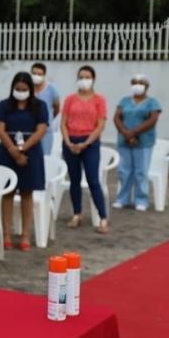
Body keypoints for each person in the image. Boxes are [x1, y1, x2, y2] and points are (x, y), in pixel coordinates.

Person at [0, 72, 48, 251]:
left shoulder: (39, 106)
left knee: (27, 193)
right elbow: (0, 129)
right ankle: (6, 234)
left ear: (30, 89)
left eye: (24, 89)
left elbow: (41, 129)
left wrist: (23, 148)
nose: (20, 92)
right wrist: (13, 150)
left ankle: (25, 234)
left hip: (31, 152)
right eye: (17, 89)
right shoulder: (4, 105)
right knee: (7, 193)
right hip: (7, 151)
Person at [61, 65, 109, 233]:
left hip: (90, 143)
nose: (84, 80)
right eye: (81, 77)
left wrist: (86, 143)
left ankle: (103, 217)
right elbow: (63, 122)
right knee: (74, 179)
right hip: (71, 141)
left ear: (93, 79)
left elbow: (100, 124)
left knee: (93, 179)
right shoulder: (70, 99)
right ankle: (77, 213)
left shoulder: (99, 100)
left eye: (87, 77)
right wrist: (67, 141)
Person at [113, 74, 161, 211]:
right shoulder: (124, 101)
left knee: (141, 171)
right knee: (124, 171)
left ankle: (141, 200)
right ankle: (122, 199)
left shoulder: (153, 102)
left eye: (141, 83)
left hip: (143, 142)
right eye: (134, 82)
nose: (137, 85)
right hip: (125, 141)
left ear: (146, 86)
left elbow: (152, 120)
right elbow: (117, 118)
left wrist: (133, 133)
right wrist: (126, 134)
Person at [31, 63, 61, 155]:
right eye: (34, 73)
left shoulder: (52, 89)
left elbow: (57, 107)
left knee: (45, 156)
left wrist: (49, 118)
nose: (36, 76)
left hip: (46, 130)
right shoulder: (27, 88)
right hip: (30, 129)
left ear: (44, 75)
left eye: (39, 74)